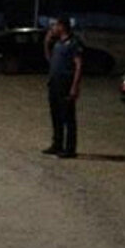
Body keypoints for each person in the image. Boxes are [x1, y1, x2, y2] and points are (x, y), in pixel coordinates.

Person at [43, 16, 83, 158]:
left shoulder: (74, 43)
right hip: (54, 84)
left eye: (55, 26)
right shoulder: (58, 43)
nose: (52, 28)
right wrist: (46, 43)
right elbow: (50, 59)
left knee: (68, 117)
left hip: (66, 84)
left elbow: (78, 66)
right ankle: (57, 144)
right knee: (56, 116)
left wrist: (74, 86)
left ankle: (70, 149)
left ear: (62, 26)